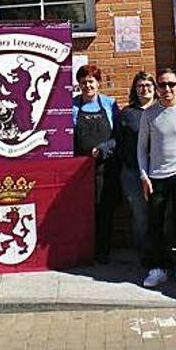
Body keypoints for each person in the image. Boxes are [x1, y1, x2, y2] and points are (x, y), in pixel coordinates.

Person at [137, 68, 176, 289]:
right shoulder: (149, 113)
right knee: (156, 224)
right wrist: (144, 175)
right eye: (162, 85)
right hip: (156, 177)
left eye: (171, 84)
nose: (167, 89)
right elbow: (142, 148)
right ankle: (158, 268)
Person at [72, 65, 120, 264]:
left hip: (104, 168)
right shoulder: (71, 106)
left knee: (104, 209)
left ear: (98, 83)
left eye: (91, 81)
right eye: (83, 82)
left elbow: (118, 136)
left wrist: (103, 148)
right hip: (78, 170)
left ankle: (103, 250)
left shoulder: (109, 104)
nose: (87, 85)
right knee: (82, 210)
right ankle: (84, 250)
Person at [118, 71, 156, 264]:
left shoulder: (161, 110)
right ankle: (145, 254)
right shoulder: (127, 113)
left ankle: (163, 252)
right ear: (135, 89)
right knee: (140, 216)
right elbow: (118, 142)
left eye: (149, 85)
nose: (145, 89)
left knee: (162, 216)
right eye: (140, 85)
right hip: (133, 172)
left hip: (159, 172)